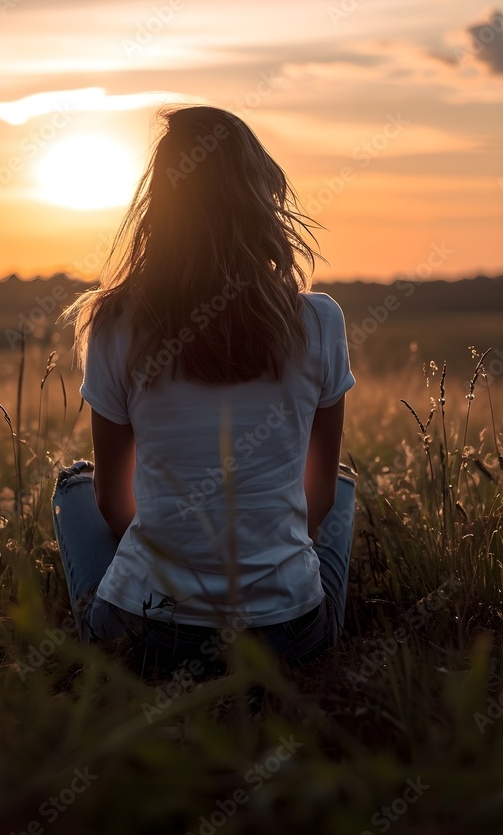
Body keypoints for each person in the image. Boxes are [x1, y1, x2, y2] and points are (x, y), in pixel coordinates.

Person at [53, 105, 357, 678]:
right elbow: (314, 506)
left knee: (75, 488)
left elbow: (113, 504)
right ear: (264, 200)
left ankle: (124, 623)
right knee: (339, 486)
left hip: (150, 630)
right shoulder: (319, 321)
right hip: (288, 636)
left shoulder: (116, 321)